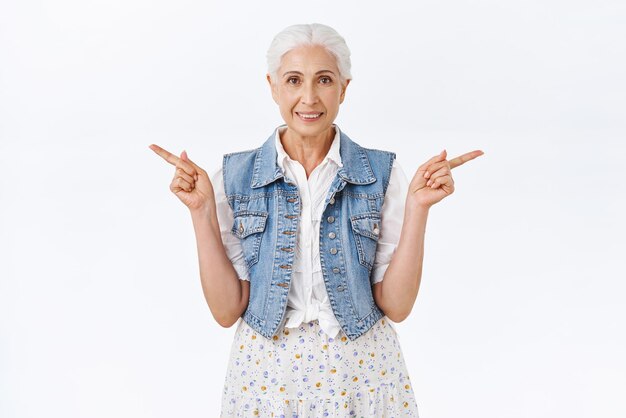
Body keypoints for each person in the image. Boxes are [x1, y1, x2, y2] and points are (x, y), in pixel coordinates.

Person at [149, 23, 483, 417]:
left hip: (363, 376)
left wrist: (418, 210)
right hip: (265, 381)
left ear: (343, 88)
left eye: (324, 80)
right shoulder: (234, 178)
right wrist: (201, 212)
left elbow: (396, 306)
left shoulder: (383, 174)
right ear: (273, 87)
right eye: (294, 80)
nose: (309, 97)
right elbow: (227, 311)